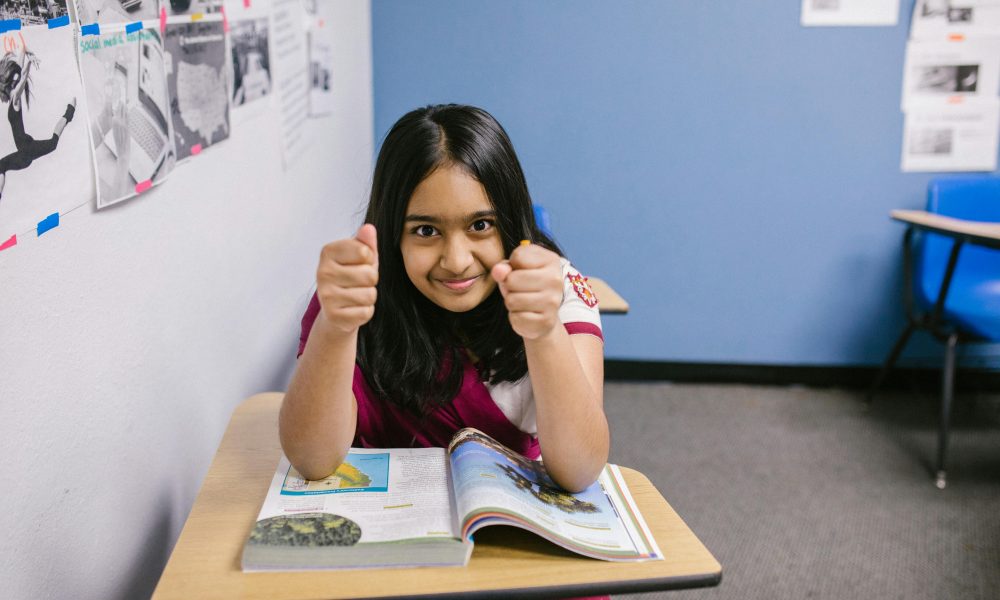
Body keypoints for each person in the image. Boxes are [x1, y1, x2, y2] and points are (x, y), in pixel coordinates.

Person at [280, 104, 608, 493]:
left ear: (511, 221)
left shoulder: (555, 288)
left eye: (480, 225)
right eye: (425, 231)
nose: (456, 261)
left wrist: (544, 331)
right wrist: (335, 327)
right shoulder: (353, 292)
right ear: (390, 232)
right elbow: (312, 460)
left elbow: (581, 470)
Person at [0, 50, 75, 203]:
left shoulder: (15, 100)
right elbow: (19, 72)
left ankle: (69, 113)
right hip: (25, 150)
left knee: (53, 143)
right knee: (2, 165)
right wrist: (25, 52)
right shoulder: (14, 98)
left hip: (26, 151)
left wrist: (28, 63)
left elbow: (22, 78)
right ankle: (70, 113)